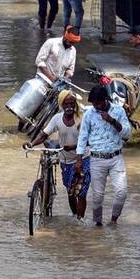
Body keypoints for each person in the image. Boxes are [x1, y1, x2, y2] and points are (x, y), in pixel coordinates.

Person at [29, 90, 91, 220]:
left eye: (71, 104)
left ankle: (80, 220)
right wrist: (31, 144)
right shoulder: (57, 119)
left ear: (75, 104)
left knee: (81, 193)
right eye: (66, 104)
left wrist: (73, 148)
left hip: (83, 159)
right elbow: (44, 134)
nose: (69, 107)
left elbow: (88, 141)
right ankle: (75, 217)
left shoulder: (81, 118)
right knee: (70, 192)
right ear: (61, 105)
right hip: (65, 160)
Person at [75, 84, 131, 226]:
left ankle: (113, 220)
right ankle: (98, 223)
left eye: (98, 102)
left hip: (115, 158)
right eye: (94, 103)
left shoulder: (119, 111)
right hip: (97, 159)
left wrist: (112, 121)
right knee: (98, 196)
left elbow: (127, 134)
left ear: (106, 99)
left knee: (121, 192)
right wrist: (79, 159)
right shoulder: (89, 114)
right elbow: (82, 137)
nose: (96, 106)